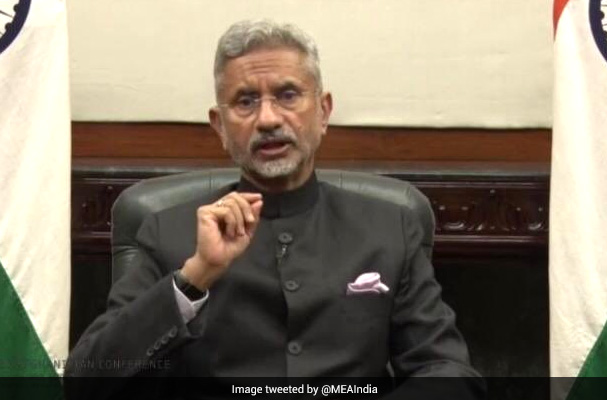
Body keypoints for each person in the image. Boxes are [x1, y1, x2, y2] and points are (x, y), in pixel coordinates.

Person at [65, 20, 483, 399]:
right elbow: (87, 382)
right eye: (245, 101)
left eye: (287, 95)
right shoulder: (167, 232)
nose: (267, 119)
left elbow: (449, 371)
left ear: (323, 112)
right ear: (220, 126)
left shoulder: (389, 228)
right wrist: (194, 278)